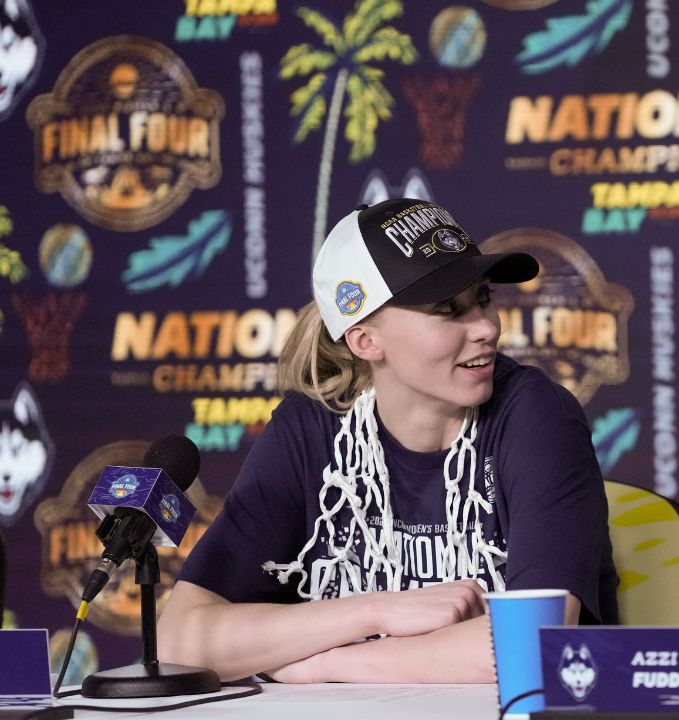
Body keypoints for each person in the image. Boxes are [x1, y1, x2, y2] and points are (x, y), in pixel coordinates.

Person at [159, 198, 619, 683]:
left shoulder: (535, 415)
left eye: (483, 298)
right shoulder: (309, 428)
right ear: (365, 341)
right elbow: (181, 640)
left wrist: (329, 663)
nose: (486, 328)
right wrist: (374, 613)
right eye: (448, 310)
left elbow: (534, 643)